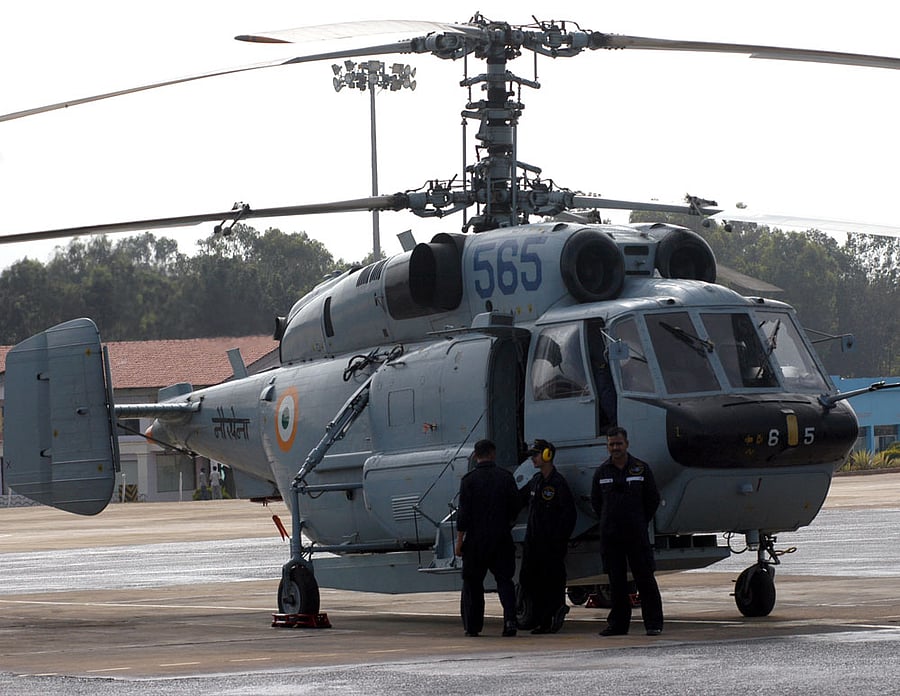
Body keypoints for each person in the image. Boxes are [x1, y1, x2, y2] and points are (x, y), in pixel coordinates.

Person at [590, 426, 664, 636]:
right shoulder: (602, 472)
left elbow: (652, 499)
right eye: (611, 444)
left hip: (636, 535)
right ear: (607, 446)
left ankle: (653, 623)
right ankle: (618, 625)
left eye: (618, 444)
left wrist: (639, 521)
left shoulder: (641, 469)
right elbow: (596, 502)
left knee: (645, 579)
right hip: (611, 536)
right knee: (617, 581)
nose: (615, 448)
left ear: (627, 444)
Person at [455, 438, 520, 638]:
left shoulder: (468, 480)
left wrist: (459, 542)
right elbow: (515, 507)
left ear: (475, 456)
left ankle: (473, 626)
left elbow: (463, 514)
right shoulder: (506, 477)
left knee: (473, 583)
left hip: (476, 540)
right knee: (505, 581)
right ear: (493, 454)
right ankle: (510, 621)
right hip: (501, 537)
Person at [518, 438, 577, 634]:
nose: (533, 459)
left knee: (551, 582)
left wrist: (558, 539)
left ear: (547, 455)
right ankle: (541, 621)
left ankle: (552, 617)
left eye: (536, 454)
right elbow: (517, 500)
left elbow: (569, 515)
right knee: (533, 582)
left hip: (551, 545)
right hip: (534, 543)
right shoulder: (536, 482)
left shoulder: (558, 483)